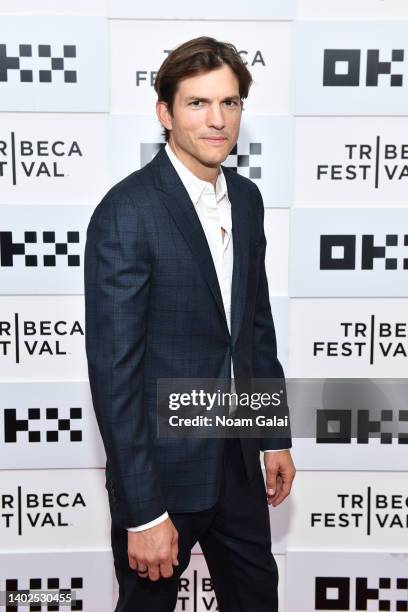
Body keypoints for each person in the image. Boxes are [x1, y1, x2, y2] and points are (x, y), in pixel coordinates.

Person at [84, 36, 296, 612]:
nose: (216, 119)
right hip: (162, 474)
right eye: (198, 103)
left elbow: (253, 328)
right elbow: (115, 373)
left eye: (229, 103)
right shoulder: (127, 212)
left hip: (237, 459)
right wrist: (144, 509)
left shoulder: (247, 200)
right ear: (165, 113)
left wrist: (273, 434)